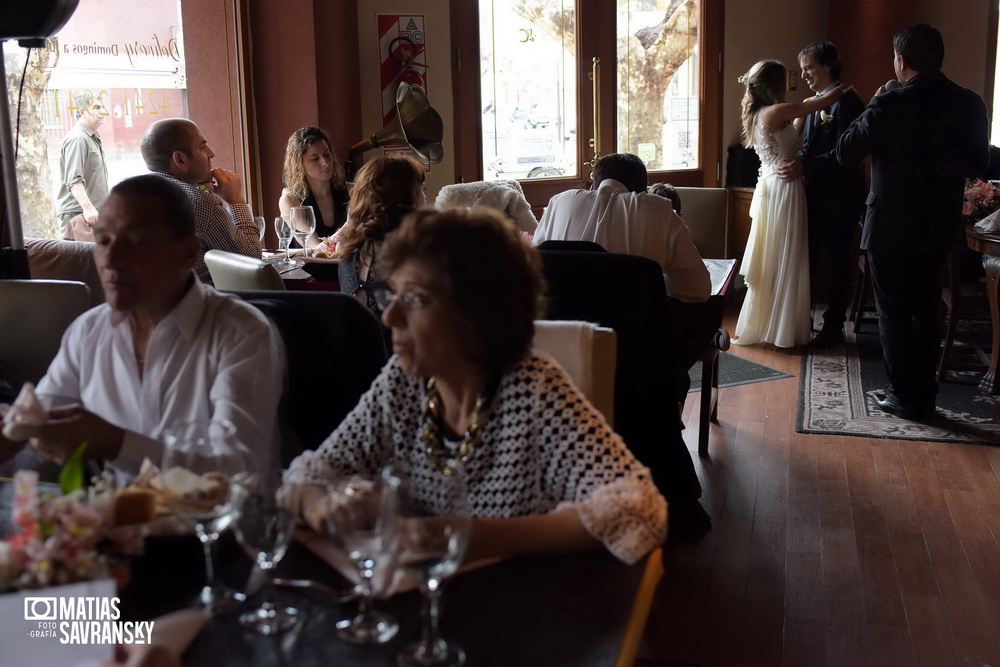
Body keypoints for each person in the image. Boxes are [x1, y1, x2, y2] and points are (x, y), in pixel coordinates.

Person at [285, 207, 667, 565]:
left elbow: (637, 508)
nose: (390, 315)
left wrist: (474, 537)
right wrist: (326, 507)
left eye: (414, 299)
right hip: (418, 609)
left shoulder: (531, 390)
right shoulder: (405, 383)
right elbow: (311, 474)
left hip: (515, 621)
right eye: (393, 294)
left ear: (477, 313)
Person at [1, 175, 284, 479]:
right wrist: (12, 439)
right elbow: (34, 435)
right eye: (103, 241)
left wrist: (116, 443)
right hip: (114, 521)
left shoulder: (241, 333)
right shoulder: (88, 333)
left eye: (136, 242)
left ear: (189, 252)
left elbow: (238, 471)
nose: (111, 259)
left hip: (219, 525)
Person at [836, 24, 990, 419]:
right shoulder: (969, 103)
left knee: (895, 313)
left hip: (890, 228)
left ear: (901, 61)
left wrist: (874, 102)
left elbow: (845, 151)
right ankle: (925, 394)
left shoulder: (890, 103)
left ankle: (907, 397)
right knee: (927, 310)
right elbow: (979, 164)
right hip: (939, 226)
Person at [733, 60, 852, 349]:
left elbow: (793, 135)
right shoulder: (776, 110)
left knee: (782, 253)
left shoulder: (765, 114)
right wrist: (844, 87)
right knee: (787, 253)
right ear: (776, 84)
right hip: (784, 189)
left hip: (776, 185)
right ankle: (781, 327)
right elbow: (820, 101)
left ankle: (776, 324)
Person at [778, 42, 866, 348]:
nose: (804, 75)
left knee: (838, 262)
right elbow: (810, 144)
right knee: (810, 257)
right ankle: (803, 320)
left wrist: (806, 163)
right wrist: (795, 161)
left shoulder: (847, 101)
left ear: (827, 66)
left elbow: (845, 153)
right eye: (802, 69)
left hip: (840, 195)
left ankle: (833, 327)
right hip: (814, 193)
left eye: (808, 68)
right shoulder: (815, 103)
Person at [532, 153, 710, 304]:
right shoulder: (660, 210)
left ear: (594, 184)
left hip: (562, 329)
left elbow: (531, 268)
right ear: (642, 191)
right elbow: (697, 290)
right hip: (633, 336)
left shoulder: (559, 203)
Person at [140, 118, 261, 283]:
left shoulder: (132, 195)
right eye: (202, 147)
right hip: (196, 306)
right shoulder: (198, 202)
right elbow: (252, 262)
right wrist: (235, 200)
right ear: (180, 159)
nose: (211, 153)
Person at [335, 156, 427, 321]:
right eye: (421, 191)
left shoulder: (349, 254)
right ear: (405, 199)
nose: (425, 199)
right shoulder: (414, 254)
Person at [278, 126, 349, 248]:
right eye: (315, 158)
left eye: (327, 154)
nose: (325, 163)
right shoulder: (290, 200)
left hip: (343, 265)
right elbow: (317, 249)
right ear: (299, 164)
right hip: (307, 266)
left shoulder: (350, 191)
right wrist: (350, 223)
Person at [56, 96, 110, 241]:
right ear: (82, 112)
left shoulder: (91, 137)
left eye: (102, 107)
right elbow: (74, 180)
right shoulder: (78, 138)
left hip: (90, 215)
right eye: (97, 107)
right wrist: (88, 208)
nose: (102, 111)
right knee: (79, 261)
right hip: (80, 215)